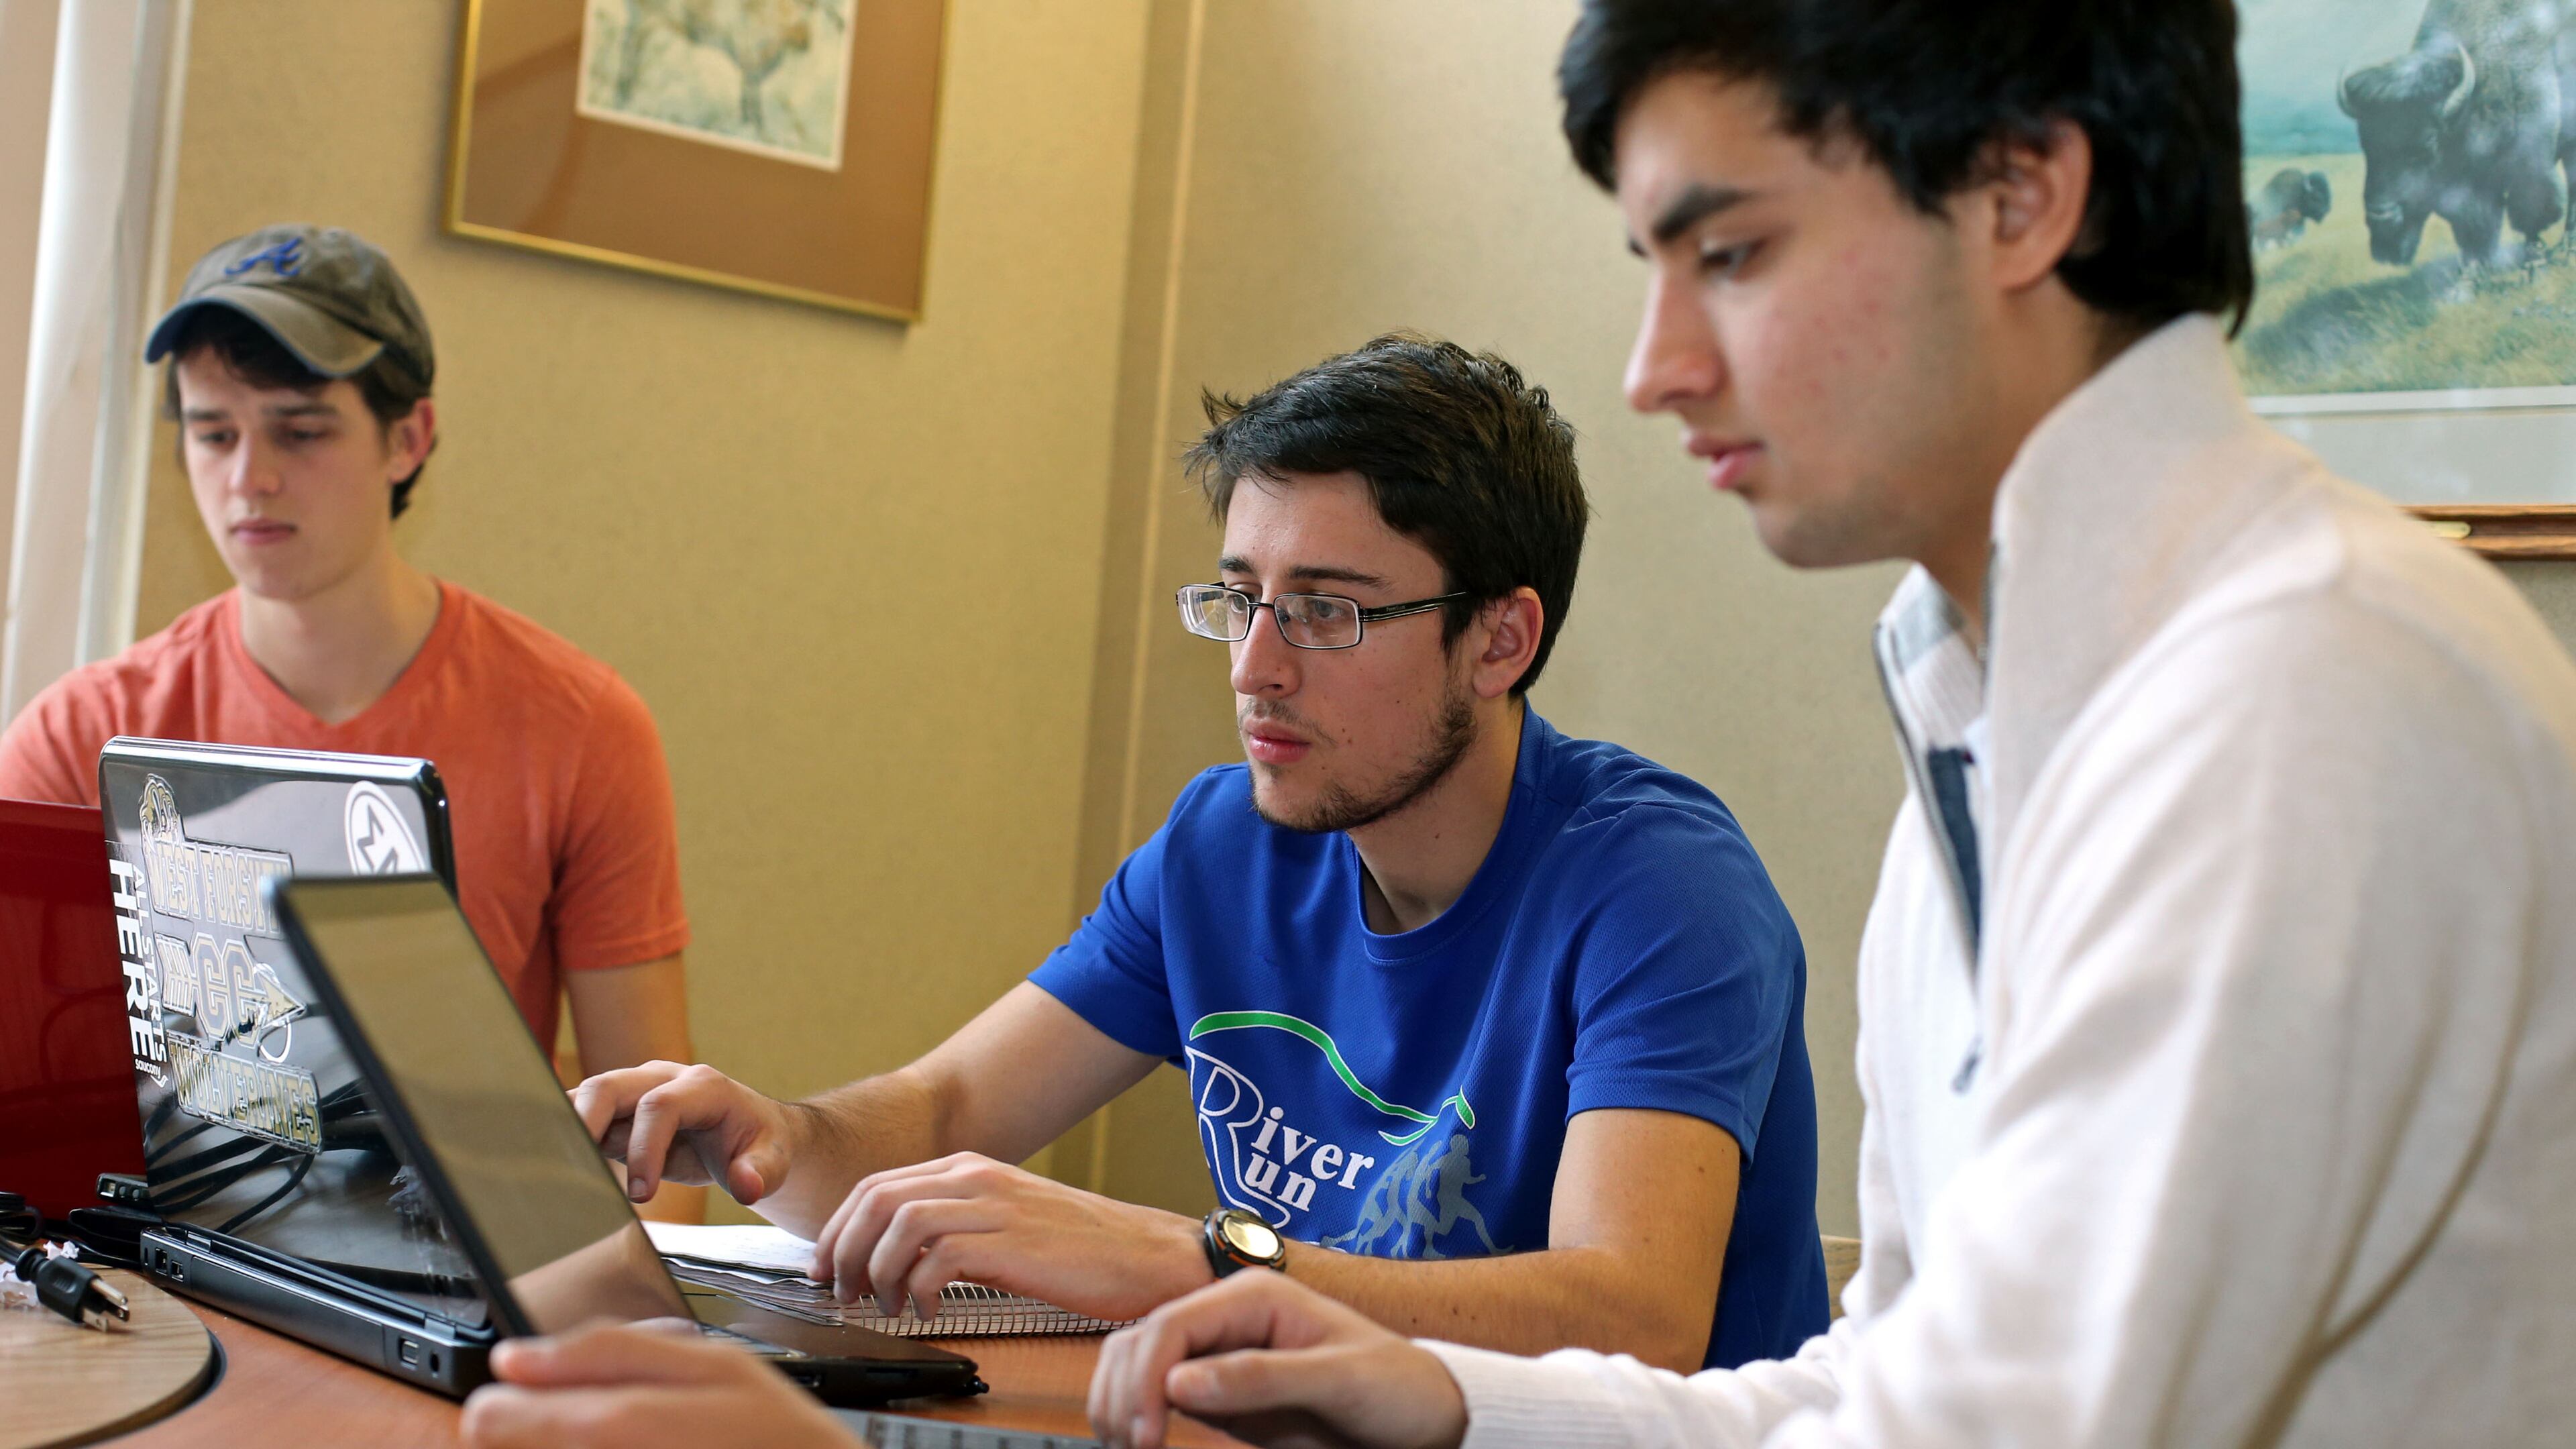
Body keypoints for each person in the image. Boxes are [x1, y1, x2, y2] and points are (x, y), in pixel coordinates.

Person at [1069, 2, 2576, 1446]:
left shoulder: (2307, 696)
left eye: (1731, 252)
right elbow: (1887, 1386)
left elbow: (2025, 1431)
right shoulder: (1984, 710)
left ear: (2019, 195)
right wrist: (1449, 1397)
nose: (1656, 368)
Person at [557, 334, 1825, 1383]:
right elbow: (944, 1115)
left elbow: (1634, 1318)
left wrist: (1193, 1259)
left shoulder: (1662, 886)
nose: (1254, 665)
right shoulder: (1226, 841)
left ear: (1501, 642)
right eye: (1240, 597)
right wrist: (761, 1136)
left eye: (1326, 611)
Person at [0, 224, 704, 1223]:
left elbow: (662, 1159)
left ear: (408, 439)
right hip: (171, 1270)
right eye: (213, 433)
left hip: (461, 1267)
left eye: (301, 430)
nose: (249, 477)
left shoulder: (581, 727)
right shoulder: (86, 733)